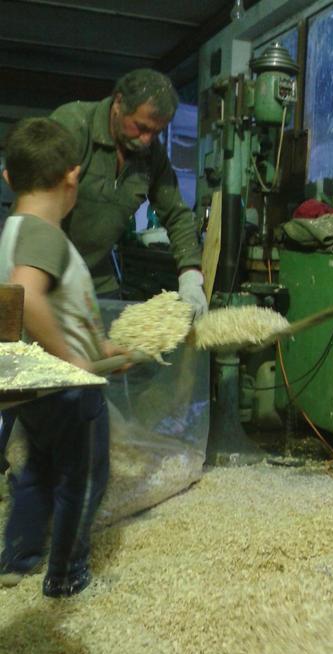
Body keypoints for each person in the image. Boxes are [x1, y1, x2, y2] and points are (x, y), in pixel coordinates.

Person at [0, 117, 128, 597]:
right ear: (73, 176)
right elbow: (28, 296)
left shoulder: (13, 229)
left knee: (37, 471)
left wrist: (102, 348)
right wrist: (72, 357)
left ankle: (17, 559)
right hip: (69, 387)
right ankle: (67, 574)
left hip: (34, 386)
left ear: (8, 177)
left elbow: (51, 307)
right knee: (84, 478)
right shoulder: (44, 235)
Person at [50, 68, 207, 317]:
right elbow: (38, 202)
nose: (146, 140)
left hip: (97, 278)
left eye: (156, 132)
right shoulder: (74, 126)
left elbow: (177, 215)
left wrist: (191, 275)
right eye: (140, 127)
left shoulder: (152, 154)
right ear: (118, 103)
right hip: (49, 269)